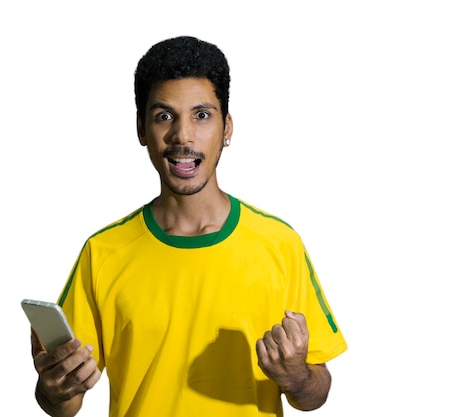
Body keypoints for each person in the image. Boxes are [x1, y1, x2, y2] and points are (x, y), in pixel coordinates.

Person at [30, 35, 347, 417]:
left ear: (227, 128)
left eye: (202, 115)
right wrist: (54, 388)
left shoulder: (279, 244)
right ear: (141, 130)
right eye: (164, 116)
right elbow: (65, 405)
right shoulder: (103, 252)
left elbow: (315, 394)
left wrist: (295, 376)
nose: (183, 136)